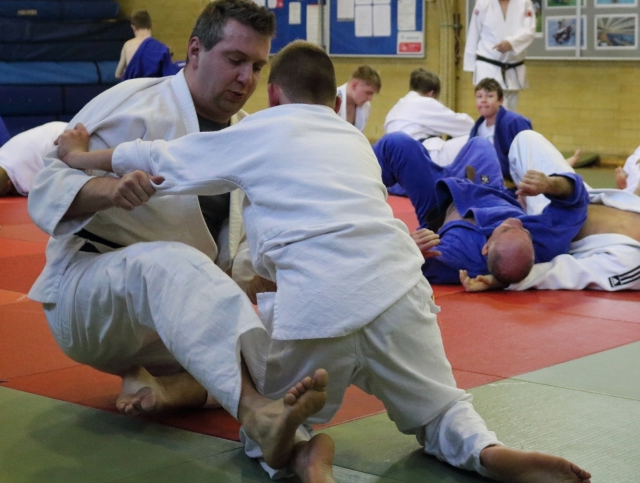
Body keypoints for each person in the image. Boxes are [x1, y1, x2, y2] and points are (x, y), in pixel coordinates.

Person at [55, 41, 592, 483]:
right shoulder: (355, 140)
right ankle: (487, 451)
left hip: (317, 301)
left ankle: (304, 453)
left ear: (272, 96)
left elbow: (159, 158)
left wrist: (81, 157)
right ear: (334, 103)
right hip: (404, 289)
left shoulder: (257, 130)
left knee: (262, 420)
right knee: (439, 408)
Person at [27, 0, 338, 481]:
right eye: (235, 61)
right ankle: (259, 413)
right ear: (195, 51)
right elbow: (47, 185)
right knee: (171, 264)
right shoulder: (136, 102)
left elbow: (238, 260)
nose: (246, 79)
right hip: (89, 298)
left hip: (175, 318)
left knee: (291, 346)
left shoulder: (245, 136)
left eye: (257, 66)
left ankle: (272, 442)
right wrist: (109, 190)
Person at [373, 129, 590, 285]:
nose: (515, 222)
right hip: (490, 187)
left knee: (397, 144)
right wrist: (549, 184)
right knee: (481, 144)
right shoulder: (543, 242)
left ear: (486, 249)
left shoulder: (459, 256)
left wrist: (404, 248)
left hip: (439, 201)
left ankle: (351, 190)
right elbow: (577, 202)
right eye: (524, 230)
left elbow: (398, 268)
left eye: (506, 229)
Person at [460, 188, 640, 293]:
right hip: (573, 196)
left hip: (543, 223)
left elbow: (566, 272)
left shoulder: (632, 266)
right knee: (527, 139)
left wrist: (507, 279)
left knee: (466, 212)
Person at [463, 0, 536, 112]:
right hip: (487, 65)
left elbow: (530, 30)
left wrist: (511, 42)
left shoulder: (524, 1)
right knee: (489, 110)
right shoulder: (483, 3)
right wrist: (471, 66)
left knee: (510, 113)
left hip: (512, 65)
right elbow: (473, 34)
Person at [384, 68, 474, 166]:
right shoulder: (426, 102)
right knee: (477, 139)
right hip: (421, 157)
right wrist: (440, 106)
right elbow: (468, 126)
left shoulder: (396, 107)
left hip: (394, 160)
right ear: (431, 93)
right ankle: (485, 179)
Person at [0, 121, 67, 197]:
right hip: (55, 129)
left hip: (64, 136)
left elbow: (34, 191)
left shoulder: (24, 182)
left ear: (9, 184)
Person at [468, 78, 532, 181]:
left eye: (489, 96)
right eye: (479, 96)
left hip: (514, 184)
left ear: (500, 101)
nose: (483, 100)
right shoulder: (477, 129)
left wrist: (523, 189)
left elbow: (529, 157)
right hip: (488, 180)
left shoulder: (514, 122)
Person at [115, 9, 178, 80]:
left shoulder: (127, 45)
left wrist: (128, 72)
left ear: (133, 28)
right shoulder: (162, 49)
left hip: (134, 89)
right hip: (153, 89)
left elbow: (118, 74)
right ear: (151, 26)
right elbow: (170, 76)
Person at [336, 65, 381, 132]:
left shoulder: (366, 106)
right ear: (354, 85)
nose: (371, 98)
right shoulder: (330, 100)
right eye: (368, 92)